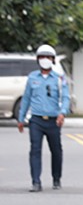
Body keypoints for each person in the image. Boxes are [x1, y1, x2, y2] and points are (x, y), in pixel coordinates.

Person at [17, 44, 71, 192]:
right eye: (42, 57)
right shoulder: (32, 77)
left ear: (53, 59)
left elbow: (65, 97)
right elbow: (26, 98)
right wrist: (21, 119)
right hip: (36, 120)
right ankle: (36, 181)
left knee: (56, 150)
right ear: (37, 59)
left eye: (48, 57)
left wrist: (62, 112)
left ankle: (56, 178)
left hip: (53, 120)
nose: (45, 60)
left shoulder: (59, 78)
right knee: (35, 150)